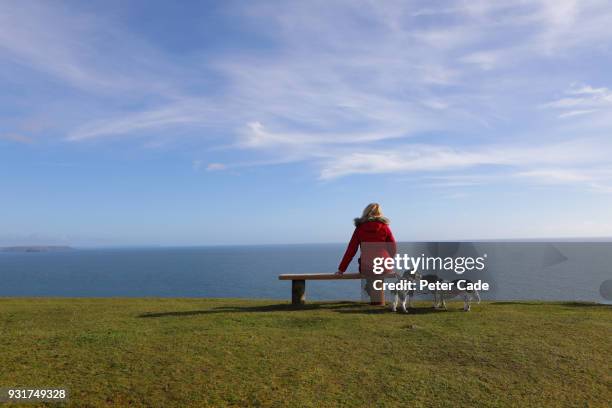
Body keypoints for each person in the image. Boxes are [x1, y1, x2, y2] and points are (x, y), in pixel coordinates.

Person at [336, 203, 396, 305]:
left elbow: (351, 250)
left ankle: (373, 294)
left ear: (365, 212)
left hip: (367, 266)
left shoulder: (360, 229)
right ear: (379, 214)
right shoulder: (384, 227)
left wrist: (341, 269)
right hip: (383, 265)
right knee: (378, 277)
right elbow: (393, 248)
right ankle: (376, 299)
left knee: (371, 275)